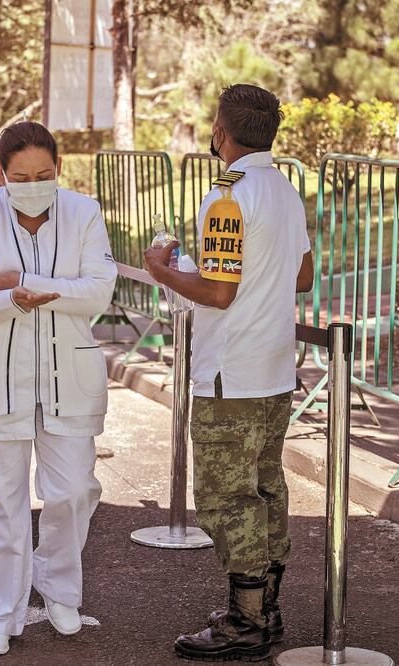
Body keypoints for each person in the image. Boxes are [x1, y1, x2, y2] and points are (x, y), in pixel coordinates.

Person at [143, 84, 314, 663]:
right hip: (273, 368)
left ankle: (247, 624)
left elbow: (218, 291)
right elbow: (302, 276)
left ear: (221, 134)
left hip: (229, 374)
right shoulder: (287, 191)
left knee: (226, 499)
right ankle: (265, 609)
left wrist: (160, 270)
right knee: (268, 487)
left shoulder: (226, 199)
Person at [0, 121, 117, 657]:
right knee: (0, 502)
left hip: (68, 379)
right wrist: (9, 300)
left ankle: (59, 586)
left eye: (44, 174)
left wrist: (32, 287)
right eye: (21, 176)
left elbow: (98, 293)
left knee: (72, 492)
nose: (34, 183)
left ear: (59, 169)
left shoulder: (84, 213)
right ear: (1, 173)